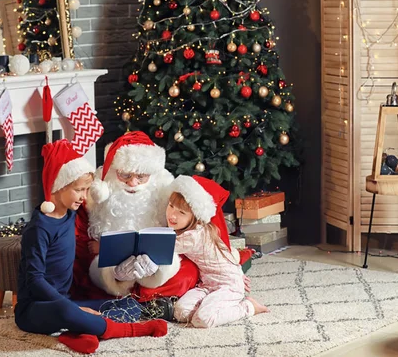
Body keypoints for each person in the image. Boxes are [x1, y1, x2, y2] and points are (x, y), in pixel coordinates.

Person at [14, 139, 167, 355]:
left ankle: (76, 335)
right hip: (34, 309)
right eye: (79, 190)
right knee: (67, 310)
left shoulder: (70, 214)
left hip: (66, 299)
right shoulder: (39, 228)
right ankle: (129, 330)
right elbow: (35, 280)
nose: (85, 197)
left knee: (123, 304)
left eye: (86, 189)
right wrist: (74, 308)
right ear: (58, 187)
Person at [72, 131, 199, 302]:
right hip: (112, 265)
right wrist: (112, 274)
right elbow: (81, 252)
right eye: (125, 175)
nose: (132, 183)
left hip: (153, 263)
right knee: (89, 285)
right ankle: (136, 293)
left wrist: (159, 268)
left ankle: (149, 292)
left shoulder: (163, 195)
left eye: (141, 177)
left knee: (187, 273)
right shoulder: (94, 200)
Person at [166, 175, 269, 328]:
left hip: (228, 285)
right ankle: (216, 305)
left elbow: (161, 249)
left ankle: (248, 307)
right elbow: (227, 253)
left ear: (195, 217)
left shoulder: (191, 237)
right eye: (170, 206)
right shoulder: (197, 230)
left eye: (181, 212)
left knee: (202, 319)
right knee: (180, 312)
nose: (172, 215)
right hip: (207, 284)